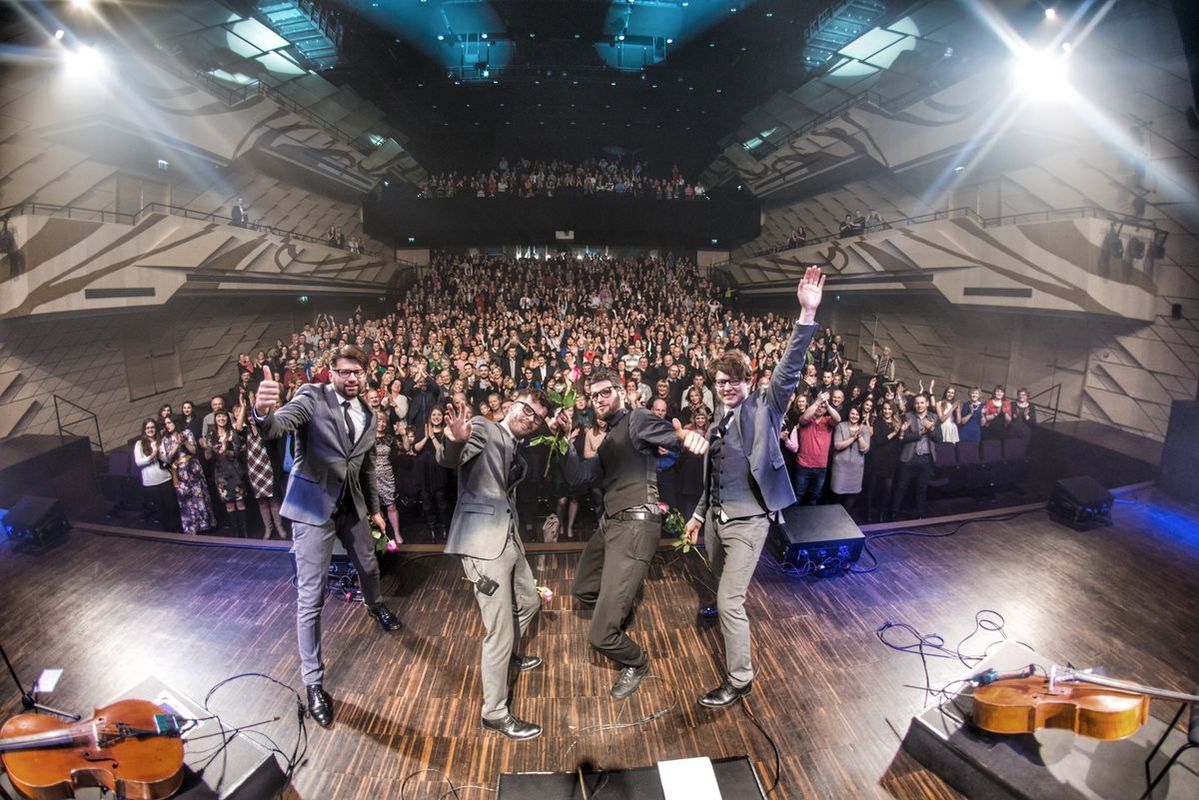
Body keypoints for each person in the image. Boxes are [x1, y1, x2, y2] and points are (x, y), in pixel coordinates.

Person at [683, 265, 825, 708]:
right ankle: (720, 605)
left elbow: (789, 368)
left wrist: (806, 314)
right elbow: (714, 474)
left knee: (731, 599)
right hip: (716, 520)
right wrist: (698, 514)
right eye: (720, 382)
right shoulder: (718, 421)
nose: (726, 387)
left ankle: (740, 679)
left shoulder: (767, 405)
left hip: (749, 521)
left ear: (749, 381)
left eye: (734, 381)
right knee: (717, 576)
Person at [254, 346, 401, 729]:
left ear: (366, 375)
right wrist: (263, 411)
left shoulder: (370, 414)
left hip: (351, 506)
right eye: (344, 371)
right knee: (311, 596)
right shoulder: (311, 397)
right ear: (331, 373)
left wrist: (374, 509)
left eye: (357, 372)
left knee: (369, 565)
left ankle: (375, 605)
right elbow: (276, 426)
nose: (351, 378)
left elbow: (366, 468)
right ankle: (313, 683)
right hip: (312, 508)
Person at [550, 368, 708, 700]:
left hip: (636, 525)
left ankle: (636, 661)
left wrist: (686, 437)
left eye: (605, 392)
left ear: (621, 391)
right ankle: (618, 611)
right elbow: (579, 477)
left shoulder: (636, 419)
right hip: (611, 523)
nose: (598, 400)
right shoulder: (610, 439)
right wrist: (564, 440)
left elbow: (670, 435)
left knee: (600, 636)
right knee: (583, 589)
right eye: (593, 395)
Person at [438, 389, 551, 741]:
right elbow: (450, 458)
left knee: (530, 602)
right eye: (527, 410)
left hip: (509, 538)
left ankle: (508, 657)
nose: (530, 419)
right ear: (511, 406)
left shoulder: (517, 446)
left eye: (537, 417)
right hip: (484, 544)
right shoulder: (484, 428)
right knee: (498, 631)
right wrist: (454, 440)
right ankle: (495, 713)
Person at [889, 393, 944, 520]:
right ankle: (893, 512)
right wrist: (920, 433)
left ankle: (920, 513)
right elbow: (903, 438)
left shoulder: (934, 418)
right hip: (910, 457)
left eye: (922, 403)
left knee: (922, 488)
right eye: (917, 403)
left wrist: (931, 429)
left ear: (927, 404)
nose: (919, 405)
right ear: (914, 405)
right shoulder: (907, 416)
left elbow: (939, 439)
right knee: (901, 486)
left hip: (926, 458)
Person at [160, 415, 215, 535]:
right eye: (166, 423)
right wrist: (177, 445)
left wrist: (184, 441)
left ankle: (204, 525)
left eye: (170, 422)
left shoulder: (186, 432)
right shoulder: (165, 439)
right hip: (179, 472)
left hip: (192, 468)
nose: (168, 425)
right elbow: (168, 458)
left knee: (198, 495)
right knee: (185, 499)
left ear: (175, 422)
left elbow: (194, 451)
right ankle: (191, 527)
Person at [133, 418, 179, 532]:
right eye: (147, 428)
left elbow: (167, 460)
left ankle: (177, 532)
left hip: (165, 479)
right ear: (144, 430)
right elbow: (138, 463)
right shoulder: (139, 444)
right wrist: (152, 455)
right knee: (160, 510)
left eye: (152, 427)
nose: (150, 430)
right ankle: (167, 533)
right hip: (151, 483)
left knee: (172, 507)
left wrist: (162, 455)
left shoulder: (161, 441)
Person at [830, 406, 870, 509]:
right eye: (852, 413)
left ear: (860, 416)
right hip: (840, 468)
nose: (854, 416)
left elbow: (865, 449)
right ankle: (836, 515)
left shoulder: (865, 429)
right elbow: (837, 446)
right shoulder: (840, 426)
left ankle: (847, 515)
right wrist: (853, 438)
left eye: (857, 414)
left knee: (851, 495)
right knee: (837, 494)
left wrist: (860, 437)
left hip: (856, 469)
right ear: (848, 414)